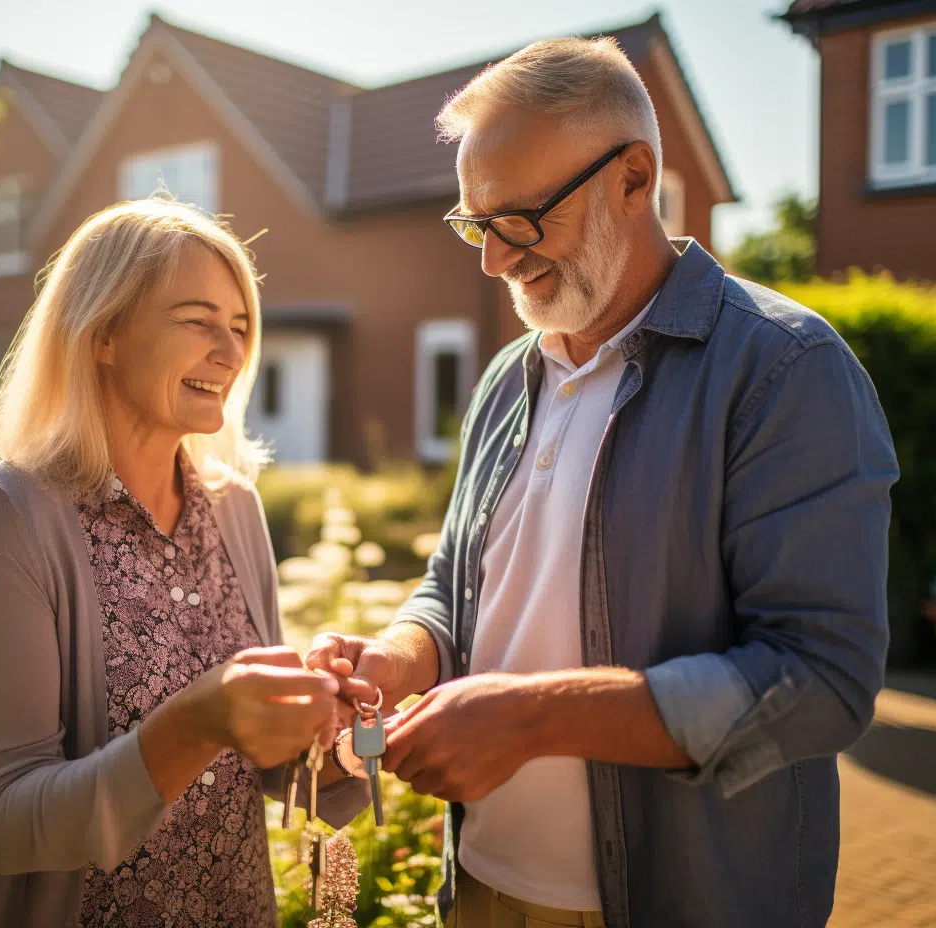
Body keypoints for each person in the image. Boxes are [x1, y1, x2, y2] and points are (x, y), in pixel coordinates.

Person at [308, 36, 897, 928]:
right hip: (477, 889)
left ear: (634, 177)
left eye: (520, 218)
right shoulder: (508, 378)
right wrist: (397, 659)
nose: (493, 262)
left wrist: (536, 718)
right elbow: (459, 587)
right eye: (475, 223)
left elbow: (822, 681)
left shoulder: (785, 369)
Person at [0, 200, 368, 928]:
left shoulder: (236, 509)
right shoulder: (3, 518)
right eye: (197, 320)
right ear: (104, 335)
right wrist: (196, 723)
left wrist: (343, 729)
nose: (231, 350)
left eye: (241, 326)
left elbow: (266, 766)